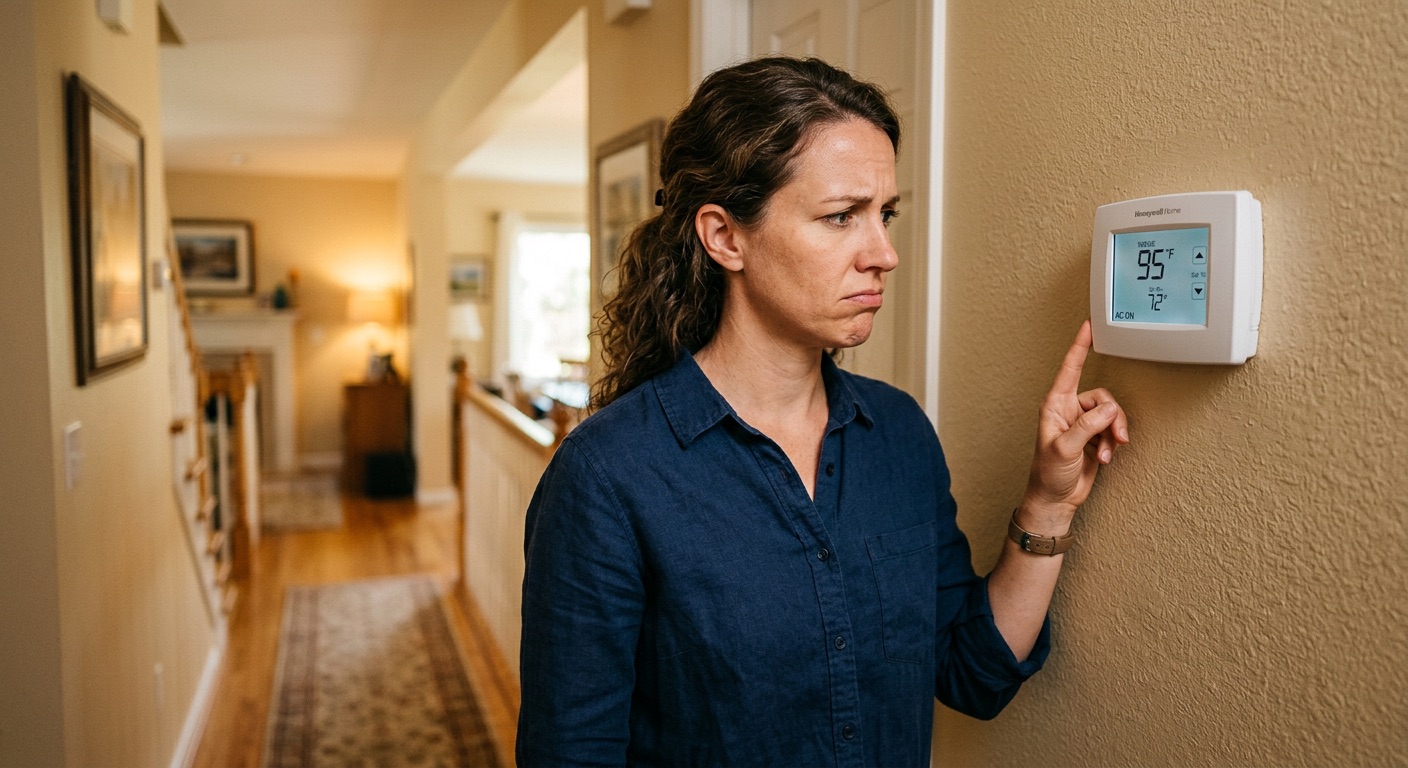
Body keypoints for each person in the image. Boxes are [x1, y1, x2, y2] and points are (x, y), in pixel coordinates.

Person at [516, 56, 1129, 767]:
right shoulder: (607, 477)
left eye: (885, 214)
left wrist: (1048, 503)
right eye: (841, 217)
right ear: (725, 237)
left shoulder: (897, 432)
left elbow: (973, 673)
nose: (885, 254)